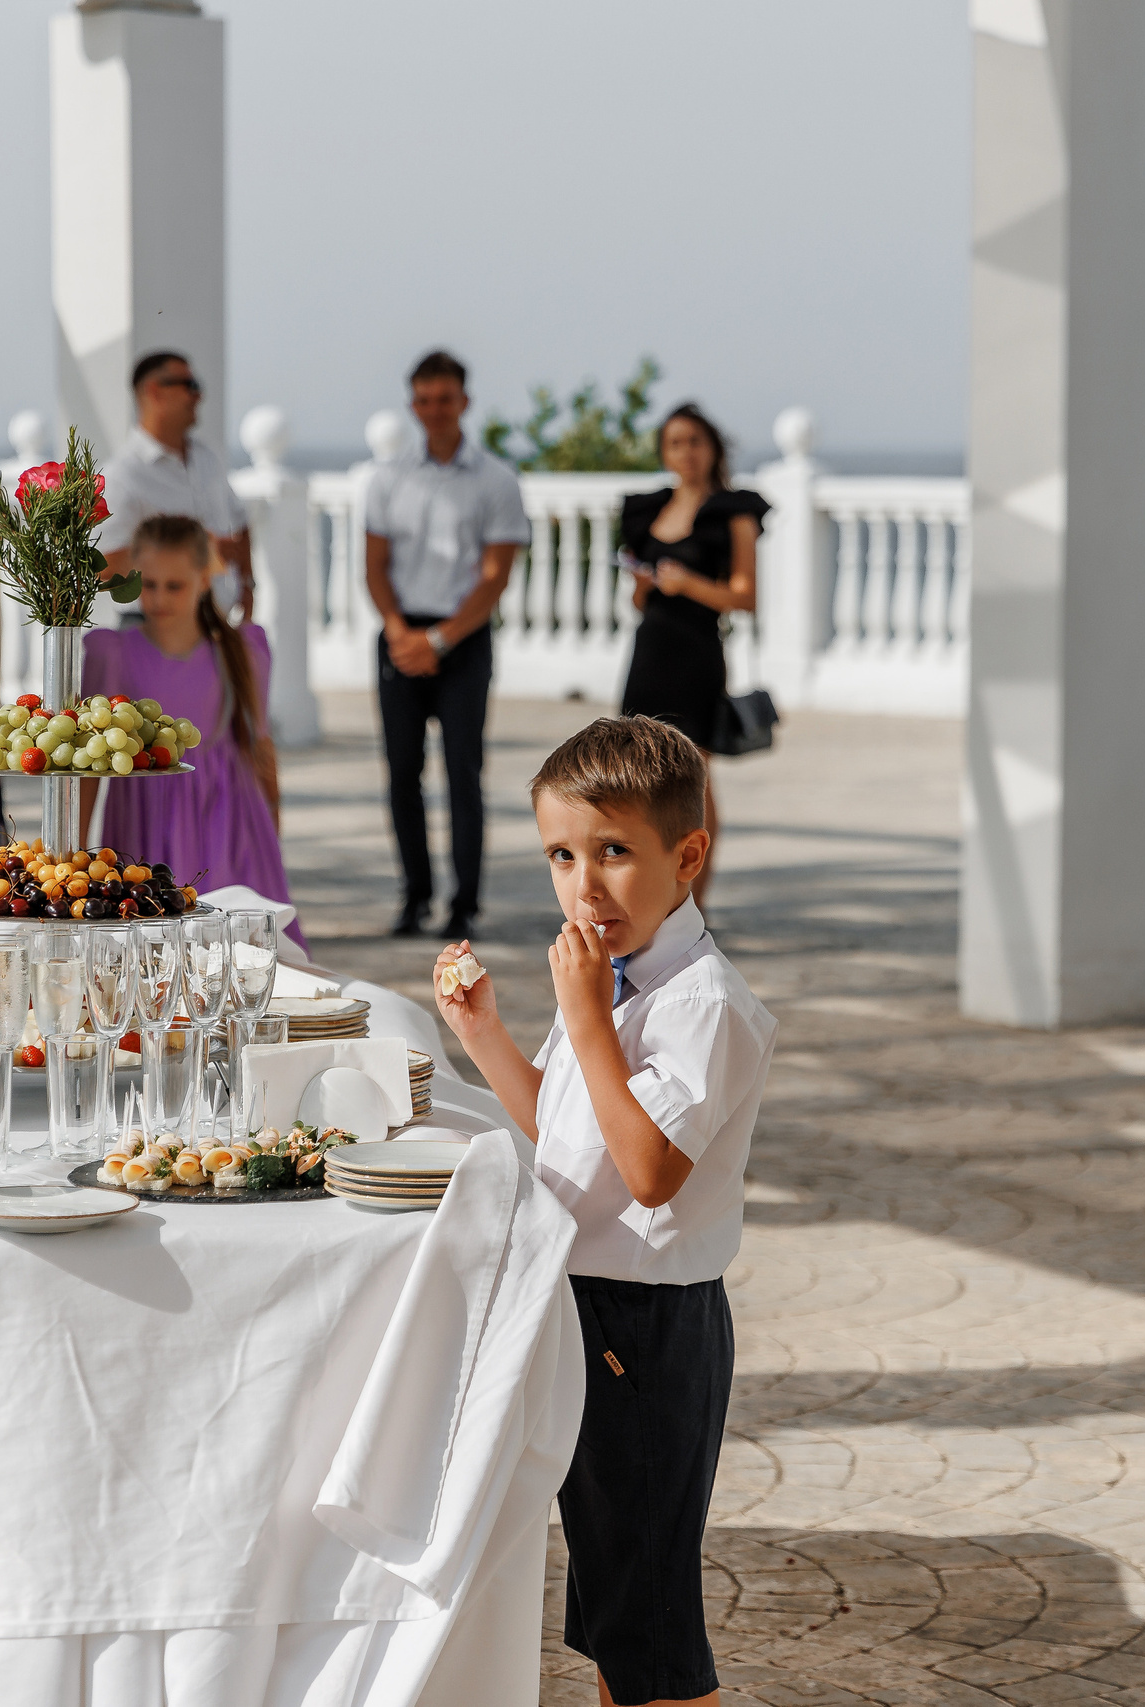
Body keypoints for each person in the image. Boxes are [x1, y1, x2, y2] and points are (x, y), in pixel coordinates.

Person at [432, 716, 776, 1707]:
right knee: (613, 1612)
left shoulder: (699, 1006)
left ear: (688, 856)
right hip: (587, 1311)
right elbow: (564, 1127)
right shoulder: (616, 986)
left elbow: (649, 1169)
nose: (584, 886)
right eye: (561, 856)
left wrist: (584, 1020)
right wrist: (487, 1033)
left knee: (653, 1628)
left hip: (648, 1334)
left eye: (615, 852)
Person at [79, 515, 307, 952]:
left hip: (228, 819)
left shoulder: (243, 650)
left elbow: (259, 745)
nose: (159, 597)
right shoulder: (111, 653)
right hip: (141, 819)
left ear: (205, 580)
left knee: (233, 952)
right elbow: (91, 765)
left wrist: (271, 838)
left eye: (175, 585)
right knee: (148, 954)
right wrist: (80, 848)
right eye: (149, 584)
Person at [363, 350, 530, 939]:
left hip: (463, 637)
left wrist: (441, 638)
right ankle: (414, 896)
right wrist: (400, 631)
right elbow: (375, 565)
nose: (435, 411)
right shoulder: (388, 478)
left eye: (446, 399)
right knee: (402, 773)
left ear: (465, 401)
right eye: (424, 400)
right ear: (413, 405)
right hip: (400, 634)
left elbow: (495, 575)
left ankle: (464, 904)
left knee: (463, 772)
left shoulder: (495, 479)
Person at [617, 403, 767, 911]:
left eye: (696, 441)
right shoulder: (648, 509)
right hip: (650, 650)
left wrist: (689, 584)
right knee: (639, 774)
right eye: (676, 442)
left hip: (697, 654)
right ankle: (649, 900)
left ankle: (693, 908)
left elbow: (745, 597)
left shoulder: (734, 511)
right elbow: (641, 598)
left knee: (693, 779)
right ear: (664, 450)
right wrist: (645, 587)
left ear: (713, 447)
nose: (687, 452)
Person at [98, 350, 251, 619]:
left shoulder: (206, 458)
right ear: (155, 391)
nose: (198, 395)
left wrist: (248, 591)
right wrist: (193, 549)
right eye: (190, 385)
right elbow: (104, 564)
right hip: (153, 628)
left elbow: (239, 522)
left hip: (216, 625)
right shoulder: (123, 474)